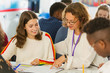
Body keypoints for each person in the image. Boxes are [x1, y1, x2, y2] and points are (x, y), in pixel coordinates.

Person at [50, 2, 107, 69]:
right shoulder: (72, 29)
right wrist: (50, 46)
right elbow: (67, 45)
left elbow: (85, 61)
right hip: (80, 69)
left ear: (82, 19)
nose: (68, 24)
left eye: (72, 21)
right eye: (67, 20)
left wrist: (66, 58)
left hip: (97, 68)